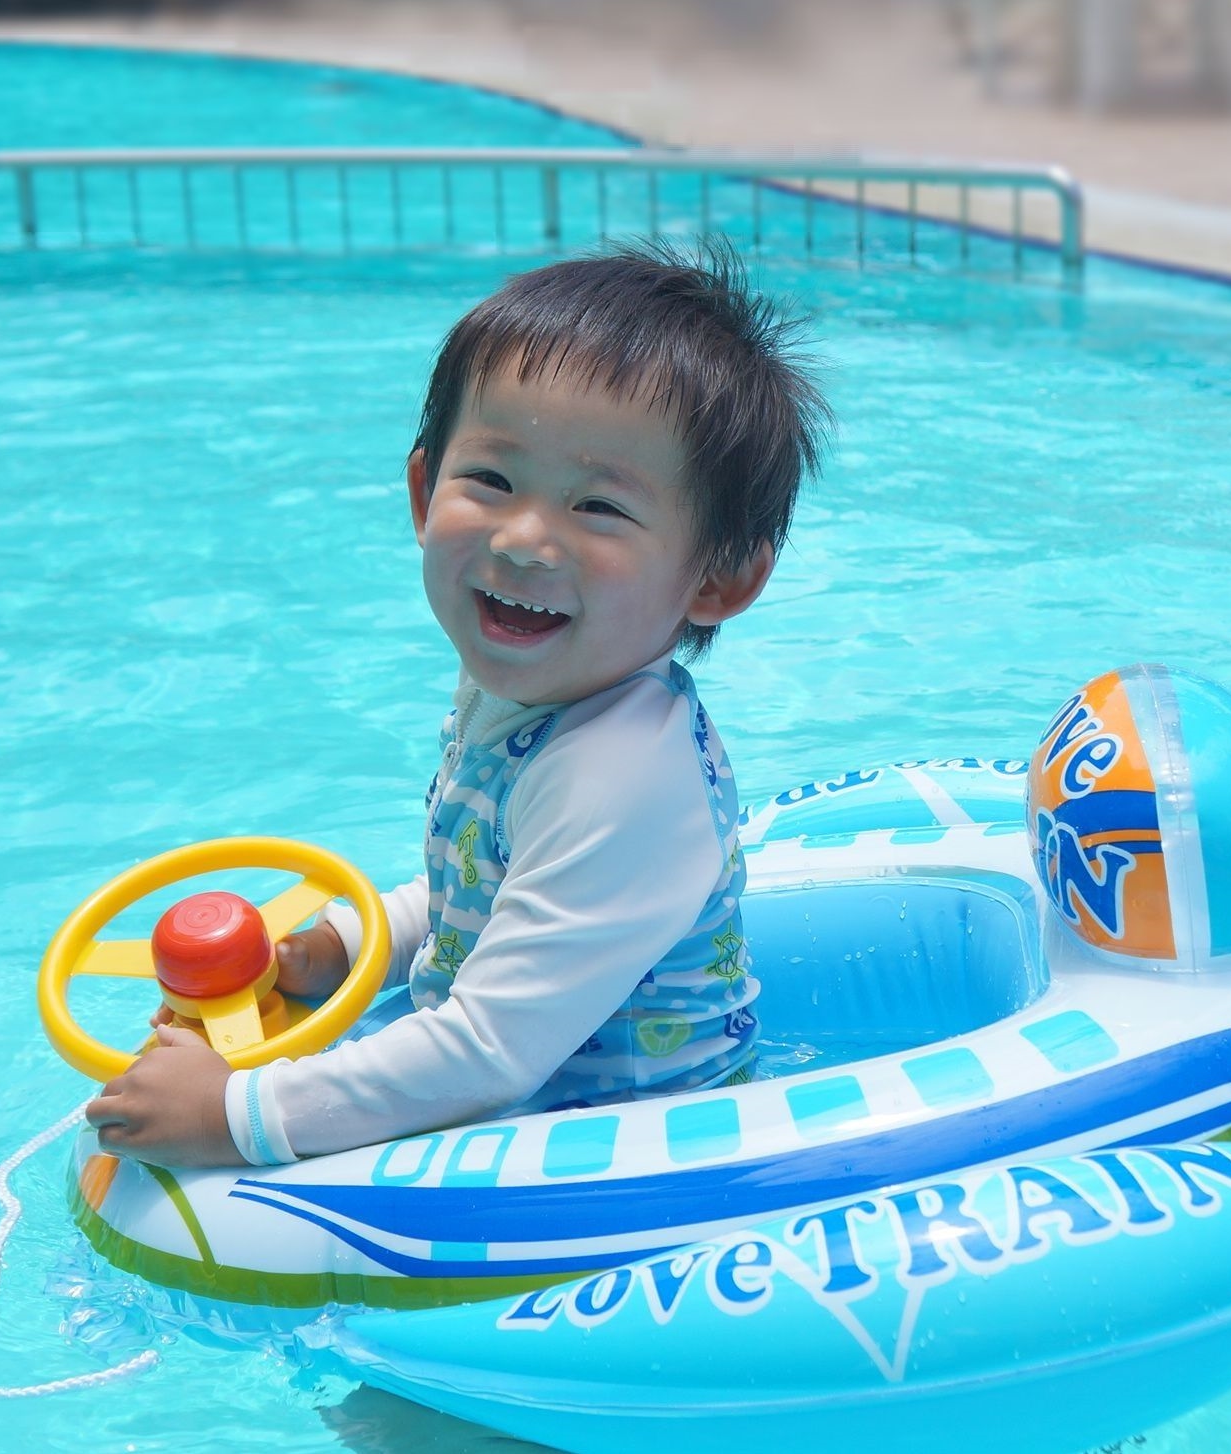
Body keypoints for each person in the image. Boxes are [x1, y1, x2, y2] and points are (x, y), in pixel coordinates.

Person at [88, 241, 828, 1167]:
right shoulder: (524, 673)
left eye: (598, 507)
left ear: (716, 579)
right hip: (523, 1088)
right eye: (490, 480)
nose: (522, 540)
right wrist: (347, 944)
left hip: (628, 1150)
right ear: (420, 491)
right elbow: (479, 892)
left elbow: (489, 1051)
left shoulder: (622, 778)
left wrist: (239, 1114)